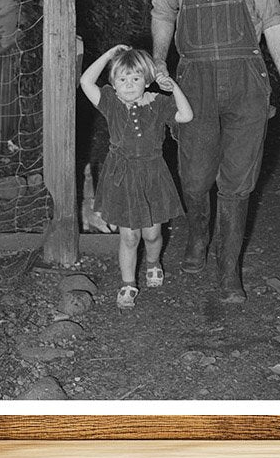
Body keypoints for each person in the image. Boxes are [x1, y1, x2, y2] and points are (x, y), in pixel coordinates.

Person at [151, 0, 280, 303]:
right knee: (195, 178)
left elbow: (272, 21)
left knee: (238, 182)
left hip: (246, 80)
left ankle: (228, 269)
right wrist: (160, 58)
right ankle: (199, 235)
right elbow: (163, 13)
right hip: (193, 80)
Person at [80, 44, 194, 309]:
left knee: (152, 234)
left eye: (135, 78)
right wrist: (109, 55)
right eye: (122, 79)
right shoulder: (110, 102)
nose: (129, 85)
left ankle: (153, 263)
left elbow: (186, 115)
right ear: (114, 83)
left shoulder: (157, 103)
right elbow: (86, 80)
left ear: (146, 80)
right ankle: (128, 282)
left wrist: (172, 86)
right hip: (122, 177)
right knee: (129, 236)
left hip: (152, 174)